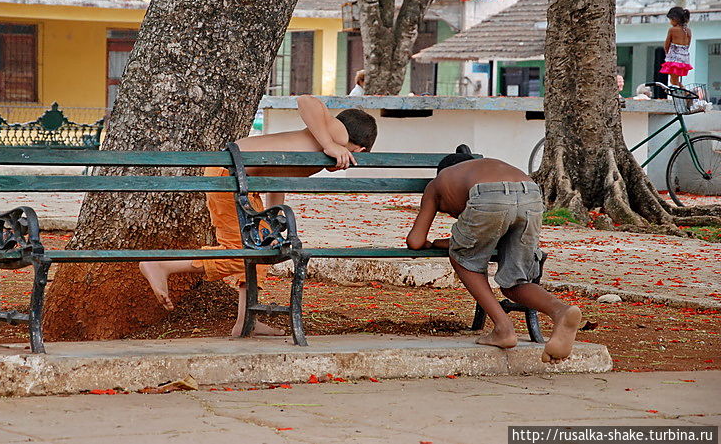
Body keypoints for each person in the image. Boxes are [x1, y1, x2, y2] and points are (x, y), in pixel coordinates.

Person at [140, 96, 378, 337]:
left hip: (239, 180)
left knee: (262, 244)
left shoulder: (319, 147)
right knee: (241, 252)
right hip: (229, 176)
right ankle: (161, 264)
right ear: (360, 149)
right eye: (357, 157)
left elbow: (279, 180)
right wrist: (331, 144)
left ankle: (246, 322)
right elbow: (307, 101)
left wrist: (272, 226)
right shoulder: (339, 134)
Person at [406, 152, 582, 363]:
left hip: (489, 197)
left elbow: (415, 241)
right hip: (531, 193)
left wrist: (441, 244)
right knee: (515, 281)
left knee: (463, 260)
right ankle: (561, 311)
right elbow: (489, 236)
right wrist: (454, 241)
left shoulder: (439, 182)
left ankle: (503, 328)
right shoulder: (486, 167)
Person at [660, 7, 693, 86]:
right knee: (675, 80)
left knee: (673, 81)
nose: (670, 22)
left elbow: (666, 45)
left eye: (671, 19)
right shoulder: (688, 31)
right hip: (684, 59)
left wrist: (667, 56)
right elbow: (688, 45)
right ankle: (686, 93)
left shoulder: (672, 30)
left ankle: (687, 94)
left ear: (675, 19)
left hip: (674, 59)